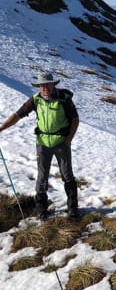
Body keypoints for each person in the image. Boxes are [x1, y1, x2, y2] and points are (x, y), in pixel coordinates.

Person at [0, 71, 79, 219]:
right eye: (42, 86)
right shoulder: (35, 100)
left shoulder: (64, 99)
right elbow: (18, 115)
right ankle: (41, 208)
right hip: (42, 142)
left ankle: (73, 208)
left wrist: (69, 139)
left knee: (67, 173)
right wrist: (2, 128)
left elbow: (75, 120)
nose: (45, 88)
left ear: (53, 84)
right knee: (42, 175)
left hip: (61, 142)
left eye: (48, 85)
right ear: (38, 87)